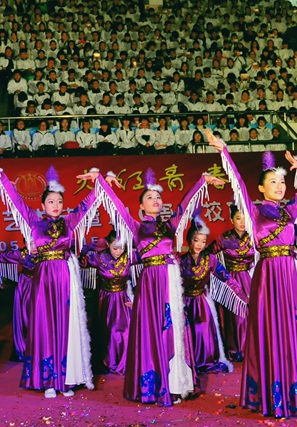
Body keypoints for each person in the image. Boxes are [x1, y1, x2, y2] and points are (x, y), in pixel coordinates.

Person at [204, 128, 297, 418]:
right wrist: (223, 150)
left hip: (289, 275)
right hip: (266, 276)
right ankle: (267, 394)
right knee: (268, 331)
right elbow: (238, 182)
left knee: (290, 330)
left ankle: (292, 390)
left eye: (282, 181)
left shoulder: (292, 210)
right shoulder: (254, 212)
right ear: (261, 188)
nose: (279, 185)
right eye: (273, 182)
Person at [90, 165, 223, 406]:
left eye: (158, 197)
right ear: (141, 207)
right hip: (150, 281)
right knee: (152, 329)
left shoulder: (170, 225)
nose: (155, 200)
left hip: (170, 277)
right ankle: (153, 385)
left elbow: (185, 205)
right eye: (150, 197)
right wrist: (102, 181)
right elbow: (117, 206)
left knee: (174, 328)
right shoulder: (135, 226)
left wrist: (202, 181)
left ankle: (176, 384)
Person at [0, 166, 98, 398]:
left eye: (59, 201)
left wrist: (98, 181)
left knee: (67, 324)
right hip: (44, 278)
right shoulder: (34, 222)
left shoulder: (70, 222)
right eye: (50, 201)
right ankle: (48, 379)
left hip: (65, 277)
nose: (55, 205)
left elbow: (88, 204)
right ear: (42, 206)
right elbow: (17, 202)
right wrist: (3, 178)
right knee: (45, 325)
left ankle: (66, 378)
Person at [180, 217, 245, 374]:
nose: (200, 245)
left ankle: (206, 361)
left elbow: (227, 278)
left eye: (203, 241)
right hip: (184, 303)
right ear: (189, 240)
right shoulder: (179, 260)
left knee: (203, 330)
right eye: (196, 240)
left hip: (201, 303)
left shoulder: (210, 259)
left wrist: (243, 297)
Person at [81, 230, 136, 376]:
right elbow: (81, 256)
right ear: (108, 245)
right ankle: (108, 362)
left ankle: (124, 362)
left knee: (125, 331)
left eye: (122, 248)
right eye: (115, 248)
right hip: (105, 300)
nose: (119, 252)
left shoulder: (129, 257)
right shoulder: (99, 258)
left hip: (122, 299)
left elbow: (148, 254)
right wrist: (95, 245)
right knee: (107, 332)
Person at [211, 205, 255, 363]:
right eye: (238, 218)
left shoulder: (253, 237)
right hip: (231, 280)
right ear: (231, 220)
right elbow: (208, 256)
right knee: (235, 317)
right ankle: (236, 349)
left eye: (244, 219)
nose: (242, 222)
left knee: (251, 314)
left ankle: (252, 349)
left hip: (249, 278)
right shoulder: (224, 239)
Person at [0, 247, 36, 359]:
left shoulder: (45, 252)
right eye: (30, 243)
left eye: (35, 242)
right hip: (26, 286)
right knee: (27, 317)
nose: (34, 246)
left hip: (43, 285)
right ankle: (26, 348)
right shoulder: (21, 254)